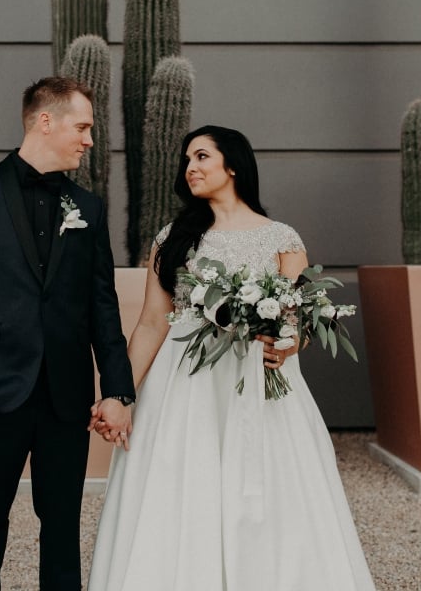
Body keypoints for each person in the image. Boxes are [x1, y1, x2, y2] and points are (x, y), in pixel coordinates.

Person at [88, 124, 375, 590]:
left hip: (260, 388)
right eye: (187, 160)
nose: (190, 168)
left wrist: (286, 344)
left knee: (269, 490)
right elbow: (151, 322)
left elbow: (298, 321)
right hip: (183, 385)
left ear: (233, 165)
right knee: (182, 487)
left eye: (201, 156)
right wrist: (117, 395)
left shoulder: (282, 238)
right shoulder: (173, 236)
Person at [0, 76, 135, 591]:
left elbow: (102, 306)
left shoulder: (88, 207)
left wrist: (118, 390)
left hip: (64, 395)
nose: (89, 139)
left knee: (62, 530)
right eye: (82, 127)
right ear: (46, 121)